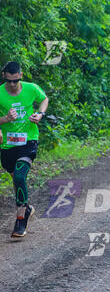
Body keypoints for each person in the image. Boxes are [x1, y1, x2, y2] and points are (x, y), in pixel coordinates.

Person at [0, 61, 48, 238]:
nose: (12, 85)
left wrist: (40, 114)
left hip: (29, 141)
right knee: (17, 179)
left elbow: (44, 99)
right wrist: (5, 119)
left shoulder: (31, 88)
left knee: (20, 176)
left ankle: (20, 220)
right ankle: (26, 208)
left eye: (15, 81)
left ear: (20, 75)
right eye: (9, 81)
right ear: (4, 76)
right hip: (7, 145)